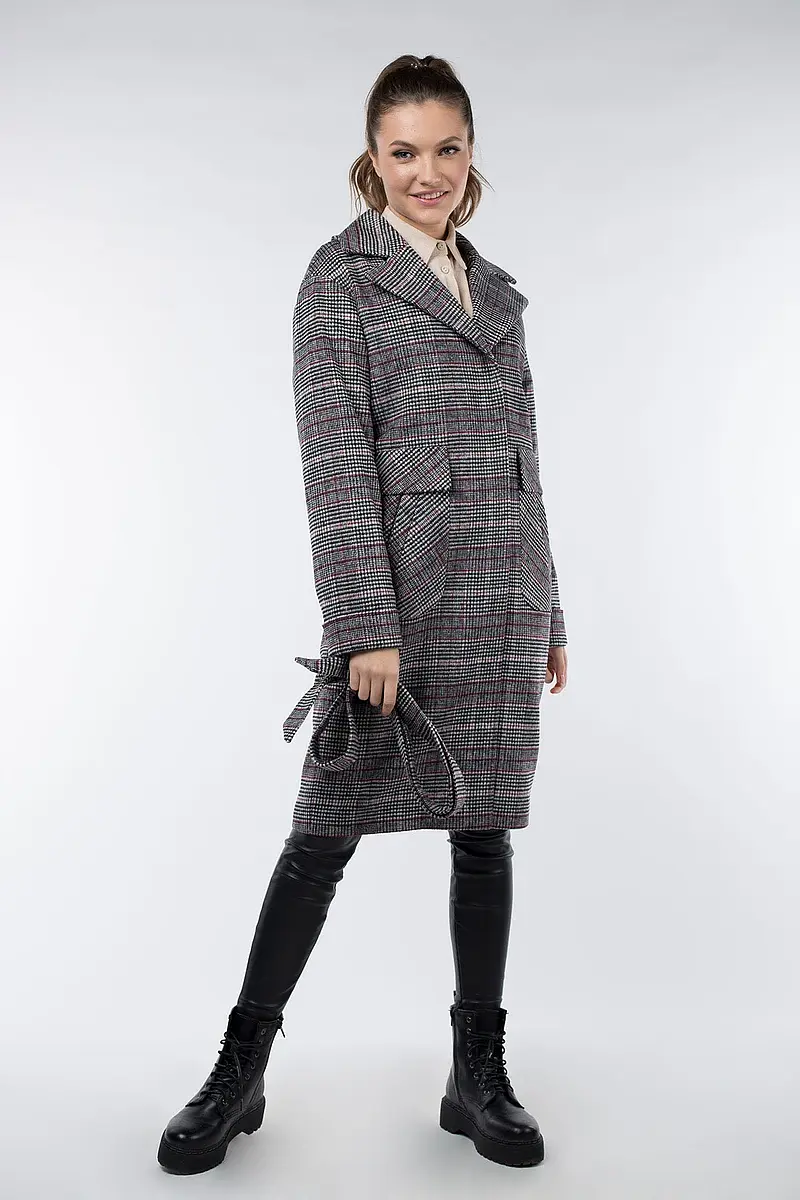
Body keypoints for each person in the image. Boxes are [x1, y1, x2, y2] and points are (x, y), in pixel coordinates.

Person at [157, 52, 568, 1176]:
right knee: (323, 834)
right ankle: (239, 1069)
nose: (427, 172)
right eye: (404, 151)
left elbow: (527, 463)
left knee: (483, 831)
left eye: (447, 148)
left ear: (471, 152)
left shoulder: (499, 295)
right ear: (372, 158)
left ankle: (475, 1074)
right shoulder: (339, 280)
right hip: (401, 605)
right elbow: (335, 466)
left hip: (501, 597)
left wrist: (551, 608)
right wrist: (364, 626)